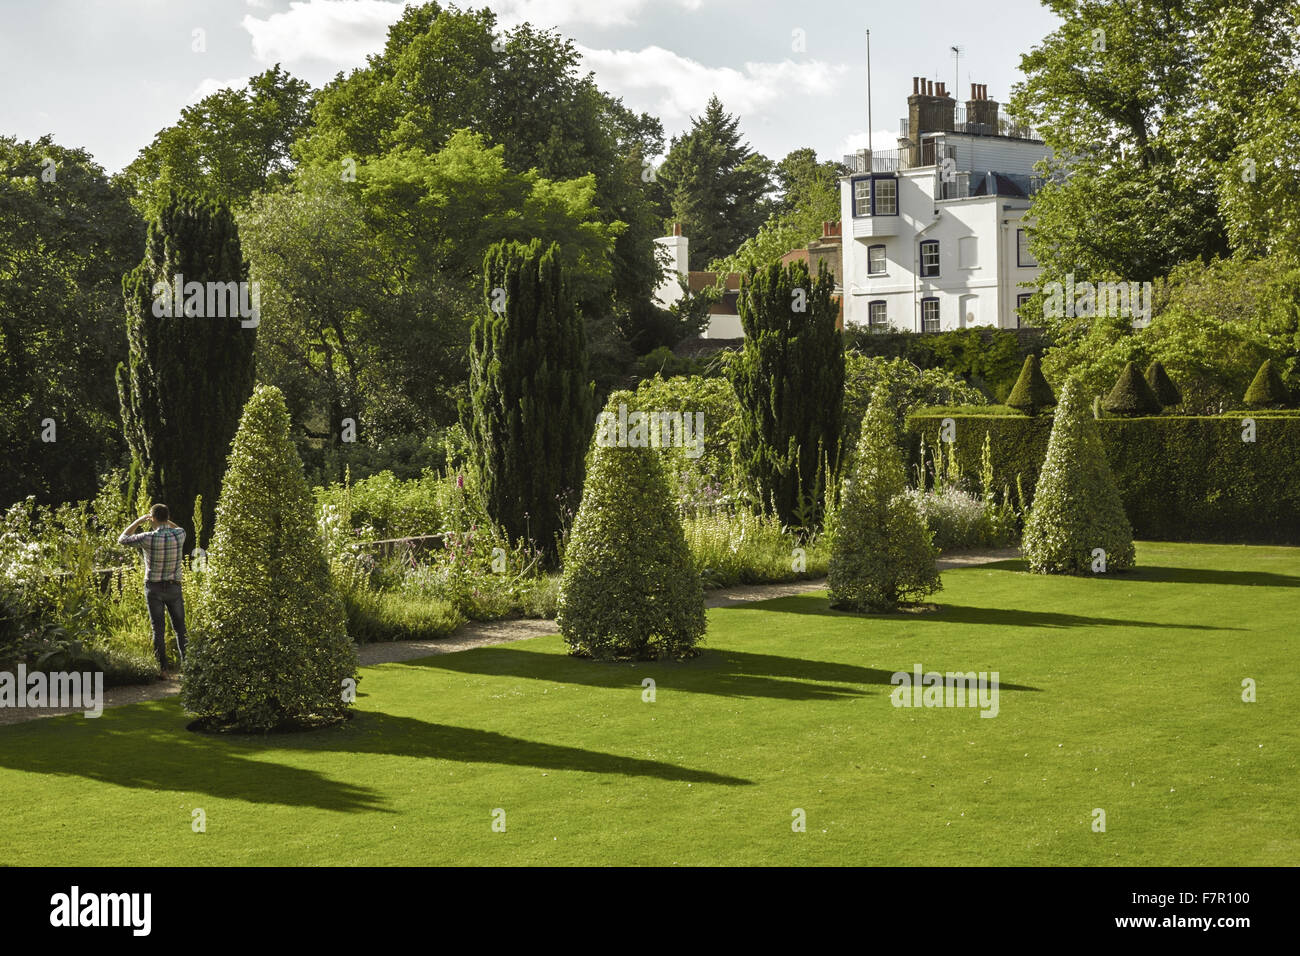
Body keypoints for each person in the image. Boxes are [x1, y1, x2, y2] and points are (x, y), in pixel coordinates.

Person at [118, 504, 188, 676]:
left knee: (158, 629)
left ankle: (163, 670)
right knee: (180, 628)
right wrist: (164, 520)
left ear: (153, 518)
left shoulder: (147, 538)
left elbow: (122, 538)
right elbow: (177, 527)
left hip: (154, 588)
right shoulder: (179, 534)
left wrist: (140, 520)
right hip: (174, 587)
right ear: (167, 517)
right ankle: (188, 666)